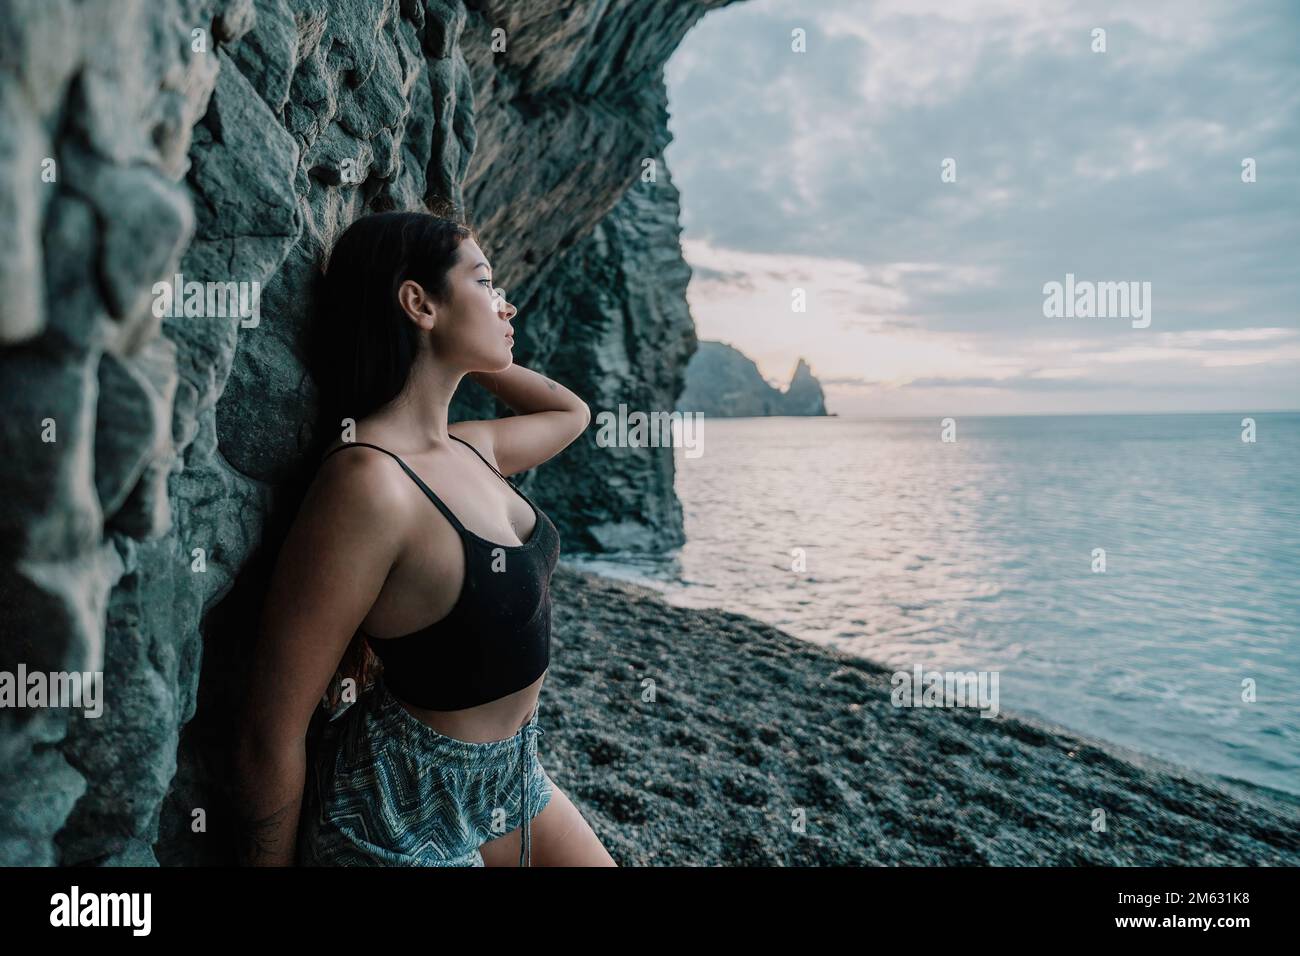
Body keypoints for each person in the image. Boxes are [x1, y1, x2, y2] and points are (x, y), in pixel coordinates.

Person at [233, 209, 616, 867]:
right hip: (398, 807)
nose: (507, 303)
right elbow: (271, 729)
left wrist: (474, 347)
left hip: (512, 775)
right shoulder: (370, 483)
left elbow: (571, 412)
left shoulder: (474, 447)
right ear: (417, 301)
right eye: (486, 283)